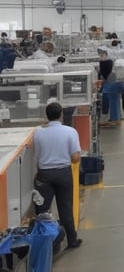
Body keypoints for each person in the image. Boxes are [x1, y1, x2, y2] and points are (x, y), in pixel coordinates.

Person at [33, 102, 82, 249]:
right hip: (63, 174)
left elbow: (36, 156)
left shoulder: (38, 133)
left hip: (44, 175)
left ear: (46, 116)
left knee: (42, 211)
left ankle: (47, 245)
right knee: (65, 208)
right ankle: (72, 240)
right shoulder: (70, 131)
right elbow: (75, 158)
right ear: (61, 114)